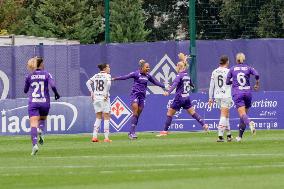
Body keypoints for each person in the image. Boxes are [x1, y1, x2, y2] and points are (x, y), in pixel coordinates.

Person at [157, 53, 209, 136]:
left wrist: (168, 92)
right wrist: (191, 86)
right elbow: (192, 85)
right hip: (187, 97)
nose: (176, 68)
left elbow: (174, 85)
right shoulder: (187, 76)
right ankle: (204, 124)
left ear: (179, 67)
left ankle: (165, 131)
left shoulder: (179, 76)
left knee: (169, 113)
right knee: (193, 113)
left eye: (177, 67)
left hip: (179, 98)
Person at [112, 60, 166, 139]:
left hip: (142, 97)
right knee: (135, 112)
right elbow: (125, 77)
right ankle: (132, 133)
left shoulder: (148, 76)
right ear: (142, 67)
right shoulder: (136, 74)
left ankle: (131, 132)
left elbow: (155, 82)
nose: (148, 68)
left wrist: (165, 86)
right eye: (147, 67)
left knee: (137, 115)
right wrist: (115, 78)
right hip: (135, 95)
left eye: (149, 67)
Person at [24, 57, 60, 155]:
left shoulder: (29, 75)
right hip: (45, 102)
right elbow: (52, 86)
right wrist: (56, 93)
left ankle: (35, 145)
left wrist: (28, 83)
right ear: (41, 64)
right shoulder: (47, 74)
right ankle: (41, 130)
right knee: (42, 120)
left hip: (33, 102)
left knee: (33, 124)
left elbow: (25, 90)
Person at [226, 53, 260, 142]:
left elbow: (227, 82)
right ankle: (240, 137)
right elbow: (257, 75)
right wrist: (256, 83)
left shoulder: (232, 69)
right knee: (244, 115)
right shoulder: (248, 68)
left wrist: (233, 82)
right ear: (243, 59)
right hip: (248, 92)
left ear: (236, 60)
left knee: (242, 115)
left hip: (238, 93)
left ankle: (250, 123)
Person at [208, 55, 233, 142]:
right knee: (223, 115)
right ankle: (220, 136)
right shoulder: (229, 71)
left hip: (217, 96)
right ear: (227, 62)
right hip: (226, 95)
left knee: (226, 115)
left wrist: (210, 98)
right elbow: (232, 83)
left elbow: (211, 86)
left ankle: (229, 135)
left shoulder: (214, 71)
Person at [86, 63, 112, 143]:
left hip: (96, 98)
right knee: (107, 116)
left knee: (98, 116)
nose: (109, 68)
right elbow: (109, 83)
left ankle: (94, 137)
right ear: (104, 68)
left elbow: (87, 83)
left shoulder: (96, 75)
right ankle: (106, 138)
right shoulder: (107, 76)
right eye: (108, 67)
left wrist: (91, 92)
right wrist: (106, 93)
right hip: (104, 98)